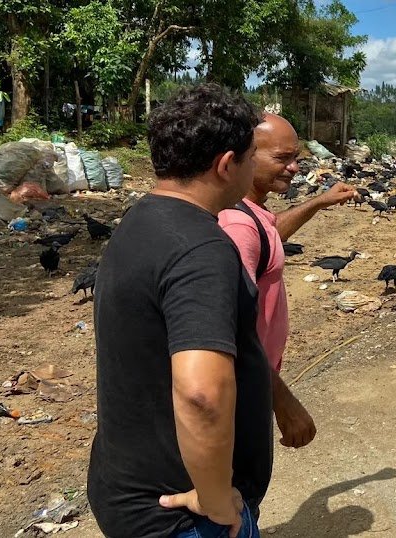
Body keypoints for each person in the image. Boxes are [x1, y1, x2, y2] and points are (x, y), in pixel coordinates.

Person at [88, 84, 270, 537]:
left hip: (125, 488)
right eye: (251, 156)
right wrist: (214, 499)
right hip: (181, 515)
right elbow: (201, 394)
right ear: (227, 164)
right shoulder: (202, 250)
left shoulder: (141, 220)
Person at [217, 113, 357, 449]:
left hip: (255, 382)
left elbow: (268, 236)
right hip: (244, 387)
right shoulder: (236, 226)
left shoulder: (250, 213)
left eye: (295, 158)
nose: (294, 168)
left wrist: (319, 202)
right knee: (236, 494)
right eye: (282, 158)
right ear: (242, 157)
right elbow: (231, 329)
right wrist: (281, 398)